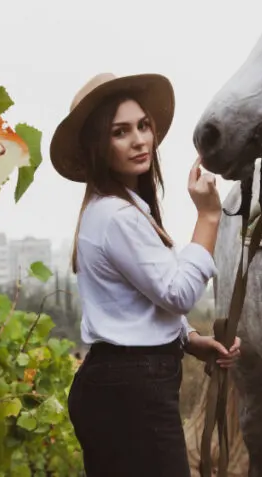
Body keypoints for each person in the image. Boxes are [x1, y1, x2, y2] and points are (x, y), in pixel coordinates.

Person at [50, 72, 242, 477]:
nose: (139, 140)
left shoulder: (122, 208)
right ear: (98, 147)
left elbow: (141, 301)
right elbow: (177, 292)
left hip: (124, 385)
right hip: (130, 392)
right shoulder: (117, 215)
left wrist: (189, 340)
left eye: (142, 126)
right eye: (120, 132)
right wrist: (208, 216)